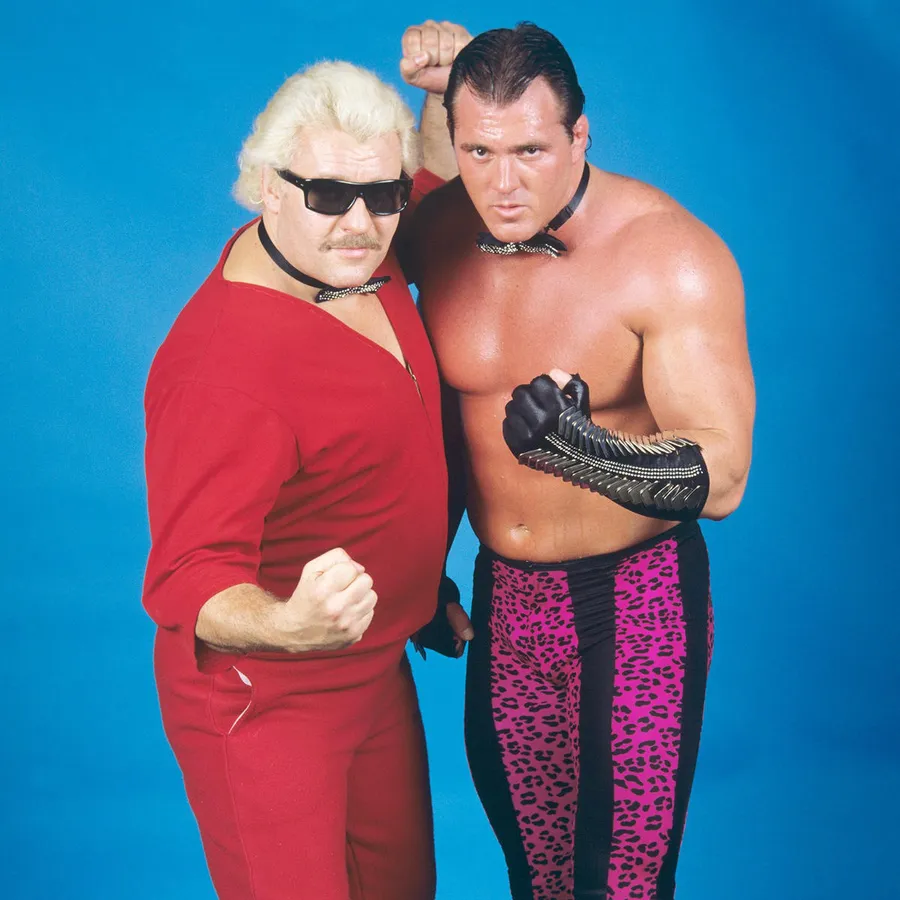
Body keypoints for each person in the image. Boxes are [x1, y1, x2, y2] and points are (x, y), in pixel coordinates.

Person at [411, 21, 756, 900]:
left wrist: (581, 449)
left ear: (580, 136)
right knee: (541, 879)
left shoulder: (669, 256)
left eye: (530, 150)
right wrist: (415, 568)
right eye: (480, 152)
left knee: (620, 885)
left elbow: (723, 476)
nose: (504, 184)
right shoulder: (438, 229)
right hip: (505, 602)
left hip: (638, 605)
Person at [142, 23, 470, 900]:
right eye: (327, 195)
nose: (361, 224)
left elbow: (434, 188)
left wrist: (441, 95)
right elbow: (189, 578)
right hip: (268, 694)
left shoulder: (360, 252)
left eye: (382, 194)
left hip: (375, 667)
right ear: (267, 188)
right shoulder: (222, 370)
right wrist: (292, 626)